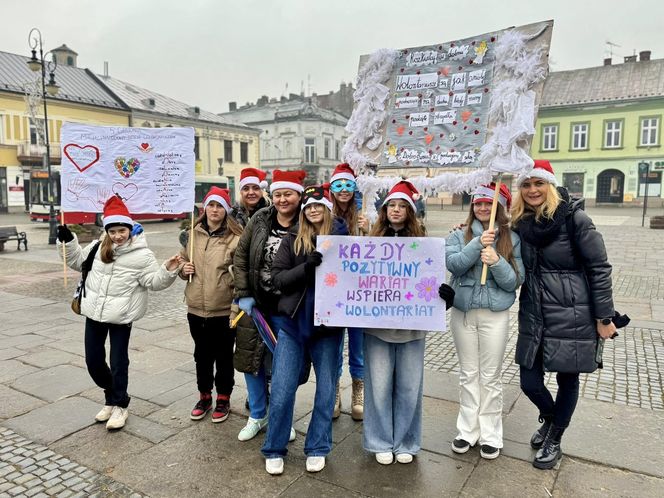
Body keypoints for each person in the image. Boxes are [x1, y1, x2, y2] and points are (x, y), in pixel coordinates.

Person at [511, 160, 615, 469]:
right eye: (526, 185)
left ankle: (555, 437)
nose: (532, 190)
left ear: (550, 186)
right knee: (530, 381)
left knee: (568, 379)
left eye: (538, 183)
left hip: (574, 313)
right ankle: (553, 420)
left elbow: (599, 269)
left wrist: (604, 317)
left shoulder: (575, 219)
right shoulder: (520, 223)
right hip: (535, 312)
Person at [57, 195, 181, 430]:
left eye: (122, 230)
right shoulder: (97, 247)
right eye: (112, 231)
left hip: (121, 316)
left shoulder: (142, 254)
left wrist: (167, 269)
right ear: (107, 230)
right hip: (94, 312)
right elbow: (76, 262)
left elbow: (153, 282)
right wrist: (68, 242)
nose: (117, 236)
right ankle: (111, 397)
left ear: (130, 228)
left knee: (118, 362)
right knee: (93, 361)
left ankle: (121, 405)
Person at [363, 180, 455, 465]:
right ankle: (380, 440)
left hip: (413, 328)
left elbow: (432, 281)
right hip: (377, 328)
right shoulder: (370, 242)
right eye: (392, 205)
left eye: (403, 206)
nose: (396, 210)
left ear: (411, 212)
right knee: (377, 386)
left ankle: (406, 441)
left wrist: (444, 297)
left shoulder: (426, 246)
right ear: (384, 209)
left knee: (409, 387)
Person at [262, 185, 348, 475]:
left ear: (327, 209)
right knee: (283, 390)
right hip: (293, 326)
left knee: (326, 390)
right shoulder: (292, 240)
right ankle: (274, 448)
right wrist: (306, 268)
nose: (312, 210)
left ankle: (318, 446)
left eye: (318, 205)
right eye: (308, 206)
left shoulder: (343, 239)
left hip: (328, 328)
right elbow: (279, 279)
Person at [446, 183, 524, 459]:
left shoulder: (512, 238)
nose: (482, 208)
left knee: (490, 376)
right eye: (478, 203)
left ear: (498, 207)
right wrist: (475, 244)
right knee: (469, 373)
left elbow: (515, 281)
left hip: (495, 315)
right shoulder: (458, 234)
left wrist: (497, 261)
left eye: (488, 204)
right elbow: (453, 264)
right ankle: (467, 430)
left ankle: (491, 433)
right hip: (463, 313)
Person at [233, 169, 306, 442]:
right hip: (257, 305)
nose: (282, 199)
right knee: (252, 362)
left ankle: (280, 418)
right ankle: (257, 415)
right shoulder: (260, 219)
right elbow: (241, 255)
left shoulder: (305, 220)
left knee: (283, 369)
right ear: (270, 195)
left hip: (289, 309)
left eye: (288, 194)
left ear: (298, 195)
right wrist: (243, 293)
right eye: (277, 194)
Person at [179, 187, 243, 422]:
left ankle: (223, 398)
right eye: (211, 205)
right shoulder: (193, 234)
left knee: (224, 356)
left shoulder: (236, 238)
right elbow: (183, 259)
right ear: (204, 208)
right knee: (201, 355)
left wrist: (236, 305)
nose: (214, 210)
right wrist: (182, 268)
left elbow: (241, 275)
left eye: (219, 206)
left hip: (224, 309)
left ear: (226, 210)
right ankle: (204, 396)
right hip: (196, 308)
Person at [329, 163, 369, 420]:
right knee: (332, 343)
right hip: (332, 289)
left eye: (348, 185)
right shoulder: (323, 213)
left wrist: (369, 231)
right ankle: (333, 391)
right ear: (332, 189)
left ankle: (358, 389)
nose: (344, 190)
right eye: (339, 186)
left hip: (359, 291)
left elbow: (378, 256)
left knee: (358, 343)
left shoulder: (366, 216)